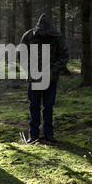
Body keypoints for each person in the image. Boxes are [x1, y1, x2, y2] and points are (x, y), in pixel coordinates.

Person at [20, 13, 69, 144]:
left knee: (48, 106)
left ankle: (48, 134)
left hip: (50, 79)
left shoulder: (57, 37)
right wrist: (31, 70)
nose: (44, 35)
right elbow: (21, 55)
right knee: (34, 106)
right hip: (34, 79)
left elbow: (64, 55)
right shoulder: (29, 36)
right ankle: (33, 135)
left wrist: (53, 71)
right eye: (42, 33)